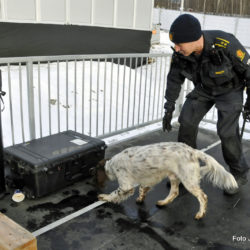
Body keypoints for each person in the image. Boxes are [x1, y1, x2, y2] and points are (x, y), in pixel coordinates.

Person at [162, 14, 250, 194]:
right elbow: (174, 79)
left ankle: (238, 172)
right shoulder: (180, 53)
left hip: (230, 90)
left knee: (226, 133)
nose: (176, 49)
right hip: (204, 88)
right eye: (175, 45)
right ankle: (187, 172)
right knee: (186, 122)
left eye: (180, 44)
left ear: (194, 39)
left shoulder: (225, 43)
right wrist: (169, 106)